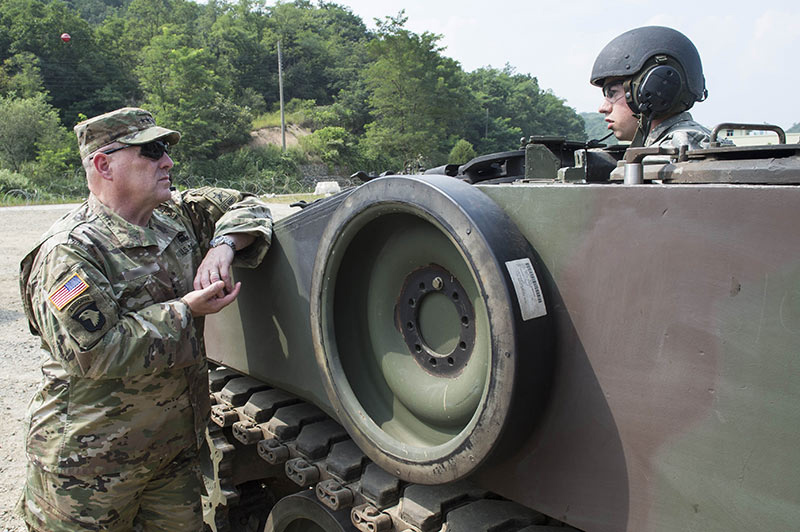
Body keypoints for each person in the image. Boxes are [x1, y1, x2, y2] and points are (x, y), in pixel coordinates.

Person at [17, 107, 273, 531]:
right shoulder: (69, 252)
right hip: (89, 470)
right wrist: (186, 311)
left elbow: (247, 204)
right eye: (151, 151)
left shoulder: (175, 216)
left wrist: (223, 245)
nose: (168, 162)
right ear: (104, 164)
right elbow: (96, 353)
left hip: (171, 457)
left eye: (166, 151)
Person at [591, 26, 715, 150]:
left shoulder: (673, 151)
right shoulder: (689, 143)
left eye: (612, 93)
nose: (603, 108)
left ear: (653, 88)